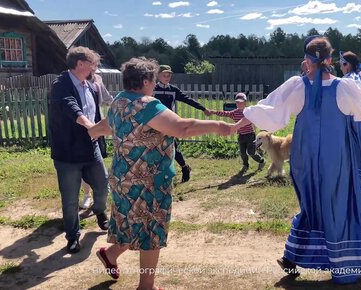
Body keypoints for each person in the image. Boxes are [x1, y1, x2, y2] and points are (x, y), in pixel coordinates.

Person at [234, 36, 361, 284]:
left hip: (305, 158)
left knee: (312, 205)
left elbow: (271, 113)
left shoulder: (297, 86)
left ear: (307, 60)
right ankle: (343, 265)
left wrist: (242, 118)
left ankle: (292, 258)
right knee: (338, 204)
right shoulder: (344, 87)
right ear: (330, 60)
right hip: (337, 158)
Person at [88, 57, 233, 290]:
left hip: (121, 177)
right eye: (154, 80)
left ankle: (110, 255)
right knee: (150, 231)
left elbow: (106, 125)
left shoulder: (119, 101)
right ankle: (147, 286)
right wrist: (217, 126)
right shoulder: (148, 104)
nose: (155, 85)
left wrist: (91, 131)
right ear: (145, 80)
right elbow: (182, 127)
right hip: (149, 181)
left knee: (131, 221)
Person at [48, 46, 109, 254]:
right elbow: (70, 106)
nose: (95, 67)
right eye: (93, 63)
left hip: (91, 149)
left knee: (102, 185)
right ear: (81, 64)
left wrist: (98, 131)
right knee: (70, 198)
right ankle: (72, 236)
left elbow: (96, 114)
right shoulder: (61, 84)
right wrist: (89, 126)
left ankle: (100, 212)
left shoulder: (91, 86)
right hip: (68, 153)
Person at [153, 64, 211, 183]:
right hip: (155, 123)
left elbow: (187, 99)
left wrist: (203, 108)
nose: (167, 76)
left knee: (172, 147)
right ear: (158, 75)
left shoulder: (173, 90)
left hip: (170, 123)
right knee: (155, 147)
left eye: (169, 74)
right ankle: (157, 174)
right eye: (164, 74)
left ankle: (184, 168)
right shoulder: (153, 89)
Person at [208, 92, 265, 173]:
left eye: (241, 102)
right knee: (242, 153)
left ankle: (261, 161)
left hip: (250, 136)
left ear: (245, 102)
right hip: (241, 136)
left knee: (251, 153)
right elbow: (224, 113)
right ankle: (245, 165)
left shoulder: (248, 112)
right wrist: (214, 112)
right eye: (237, 102)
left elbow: (258, 118)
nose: (239, 104)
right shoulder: (234, 113)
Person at [80, 72, 114, 210]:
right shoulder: (77, 80)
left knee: (98, 163)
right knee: (84, 164)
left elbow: (107, 97)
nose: (93, 68)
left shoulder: (98, 79)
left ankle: (99, 197)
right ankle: (87, 195)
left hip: (97, 124)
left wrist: (119, 105)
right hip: (83, 126)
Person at [340, 50, 361, 181]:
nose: (340, 67)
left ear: (347, 64)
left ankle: (358, 175)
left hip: (353, 117)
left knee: (354, 145)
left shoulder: (349, 78)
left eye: (341, 64)